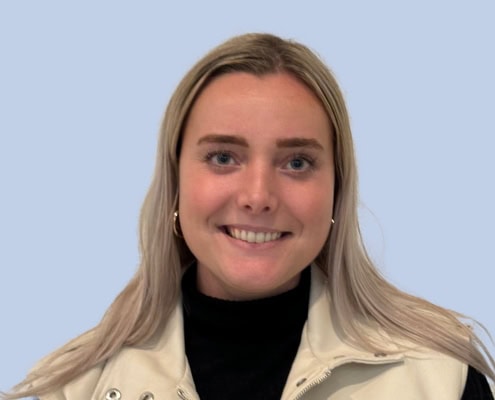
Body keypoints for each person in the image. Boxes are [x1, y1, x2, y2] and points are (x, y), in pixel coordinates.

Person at [3, 33, 494, 400]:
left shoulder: (442, 380)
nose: (258, 196)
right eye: (223, 157)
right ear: (176, 181)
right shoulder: (71, 388)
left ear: (336, 191)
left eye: (296, 162)